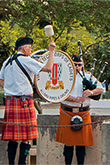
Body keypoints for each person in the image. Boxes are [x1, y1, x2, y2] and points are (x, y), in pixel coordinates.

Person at [0, 36, 56, 164]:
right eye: (30, 48)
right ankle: (22, 163)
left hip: (10, 101)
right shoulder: (26, 60)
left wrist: (11, 86)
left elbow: (1, 80)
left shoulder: (7, 61)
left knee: (12, 138)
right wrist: (51, 51)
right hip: (24, 101)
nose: (31, 50)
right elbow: (48, 68)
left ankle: (11, 163)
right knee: (27, 138)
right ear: (25, 48)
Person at [56, 55, 104, 165]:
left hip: (83, 112)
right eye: (75, 64)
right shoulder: (64, 77)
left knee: (81, 144)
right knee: (68, 143)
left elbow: (101, 88)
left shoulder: (88, 76)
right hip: (67, 111)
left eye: (79, 65)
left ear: (82, 65)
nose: (77, 67)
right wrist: (74, 99)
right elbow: (59, 94)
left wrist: (91, 92)